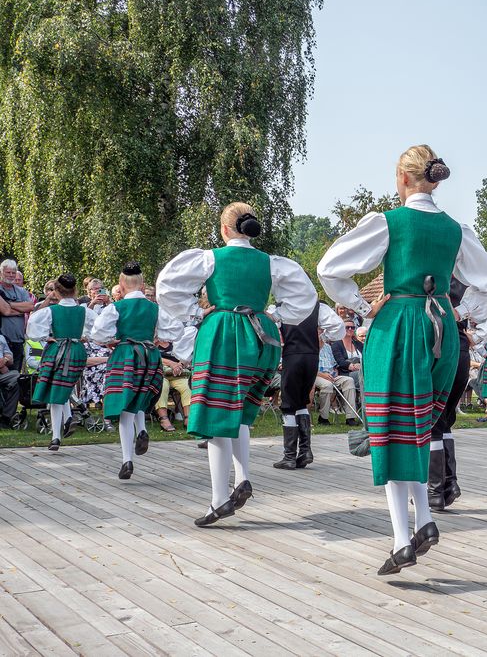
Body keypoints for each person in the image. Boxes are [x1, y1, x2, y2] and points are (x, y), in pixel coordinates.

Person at [317, 145, 487, 575]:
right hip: (443, 330)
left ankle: (403, 538)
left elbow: (330, 268)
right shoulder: (457, 229)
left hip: (399, 326)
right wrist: (459, 311)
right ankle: (425, 521)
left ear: (402, 178)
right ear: (433, 180)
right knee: (417, 428)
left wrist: (363, 309)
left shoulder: (389, 222)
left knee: (390, 428)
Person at [157, 202, 317, 525]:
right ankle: (242, 478)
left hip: (224, 334)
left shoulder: (212, 258)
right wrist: (276, 315)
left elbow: (166, 285)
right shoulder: (270, 263)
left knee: (216, 418)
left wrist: (195, 313)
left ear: (225, 229)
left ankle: (219, 500)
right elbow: (307, 296)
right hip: (261, 338)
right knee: (239, 412)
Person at [92, 262, 185, 480]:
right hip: (149, 354)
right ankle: (142, 429)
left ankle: (127, 460)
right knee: (141, 394)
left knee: (126, 404)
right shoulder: (155, 308)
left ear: (121, 285)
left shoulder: (116, 307)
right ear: (142, 286)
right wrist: (156, 337)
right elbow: (177, 329)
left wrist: (111, 340)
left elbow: (97, 333)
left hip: (125, 353)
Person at [428, 280, 487, 511]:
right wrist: (477, 336)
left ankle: (435, 490)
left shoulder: (430, 279)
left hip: (438, 347)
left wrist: (478, 336)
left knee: (433, 420)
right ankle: (449, 483)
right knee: (445, 419)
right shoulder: (464, 284)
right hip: (459, 348)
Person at [27, 274, 97, 450]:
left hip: (57, 350)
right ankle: (64, 423)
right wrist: (84, 337)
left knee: (56, 389)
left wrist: (46, 337)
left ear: (56, 292)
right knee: (62, 388)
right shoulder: (84, 311)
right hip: (75, 351)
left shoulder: (51, 311)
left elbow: (32, 327)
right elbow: (98, 328)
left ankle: (57, 435)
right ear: (76, 291)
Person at [273, 301, 344, 470]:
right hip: (312, 357)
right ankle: (305, 451)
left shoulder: (281, 307)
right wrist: (321, 339)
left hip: (293, 356)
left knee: (289, 405)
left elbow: (268, 326)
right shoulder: (318, 307)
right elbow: (338, 326)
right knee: (301, 402)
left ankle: (289, 456)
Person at [0, 259, 33, 372]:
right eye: (8, 272)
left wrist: (10, 304)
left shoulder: (21, 291)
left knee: (16, 375)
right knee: (4, 374)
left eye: (13, 272)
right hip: (3, 340)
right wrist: (21, 308)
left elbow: (30, 307)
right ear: (1, 273)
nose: (11, 275)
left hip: (18, 340)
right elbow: (6, 312)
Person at [0, 332, 20, 427]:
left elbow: (10, 358)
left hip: (4, 373)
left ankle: (6, 417)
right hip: (2, 370)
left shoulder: (1, 338)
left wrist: (4, 360)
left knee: (18, 379)